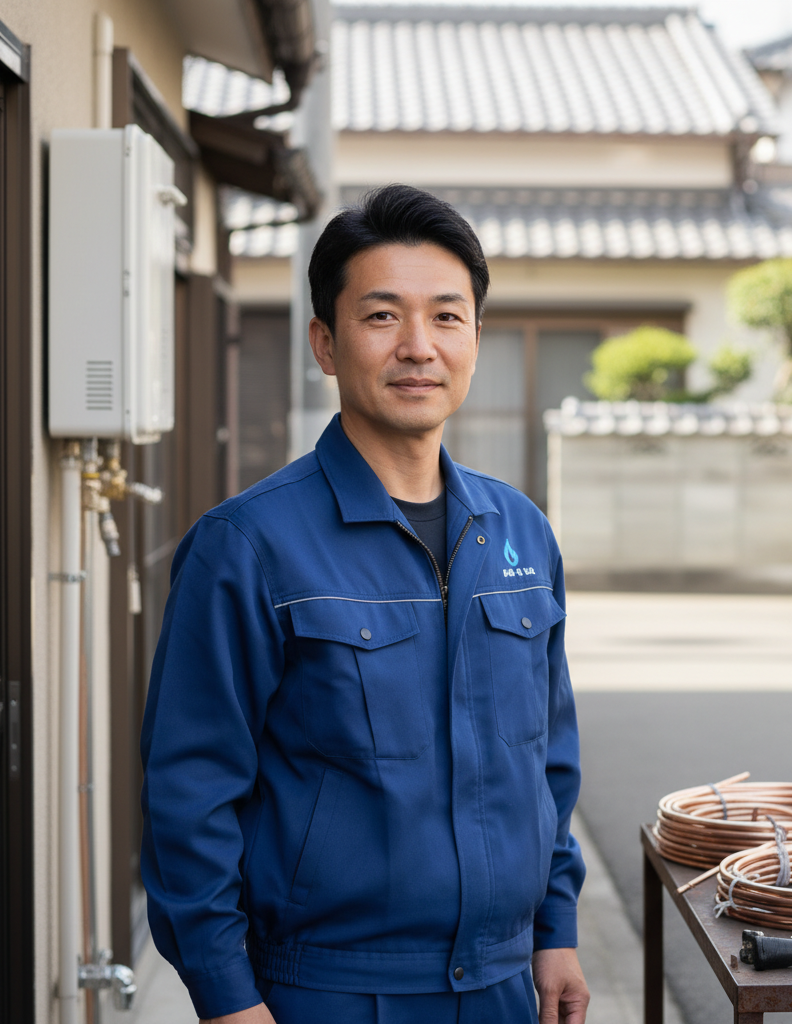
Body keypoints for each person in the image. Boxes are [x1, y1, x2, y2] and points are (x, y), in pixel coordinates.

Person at [140, 184, 589, 1024]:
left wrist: (552, 929)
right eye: (382, 317)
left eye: (447, 318)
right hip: (329, 989)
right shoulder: (247, 545)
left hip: (500, 985)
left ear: (475, 340)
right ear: (326, 343)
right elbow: (189, 790)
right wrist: (227, 997)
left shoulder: (520, 530)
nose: (419, 347)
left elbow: (547, 760)